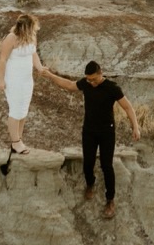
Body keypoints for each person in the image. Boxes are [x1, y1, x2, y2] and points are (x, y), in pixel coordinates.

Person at [40, 60, 140, 219]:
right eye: (88, 79)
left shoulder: (112, 88)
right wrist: (50, 75)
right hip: (89, 131)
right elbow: (68, 85)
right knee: (88, 162)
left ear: (101, 73)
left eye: (93, 79)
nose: (91, 82)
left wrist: (135, 126)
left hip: (107, 132)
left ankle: (110, 200)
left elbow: (127, 107)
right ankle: (90, 184)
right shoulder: (86, 83)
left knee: (107, 165)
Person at [0, 13, 46, 155]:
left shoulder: (32, 37)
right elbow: (2, 60)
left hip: (27, 79)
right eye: (32, 27)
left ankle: (19, 138)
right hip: (13, 79)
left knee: (23, 109)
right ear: (25, 27)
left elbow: (33, 54)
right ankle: (15, 142)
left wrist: (40, 67)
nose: (35, 30)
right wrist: (1, 80)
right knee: (15, 110)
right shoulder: (11, 38)